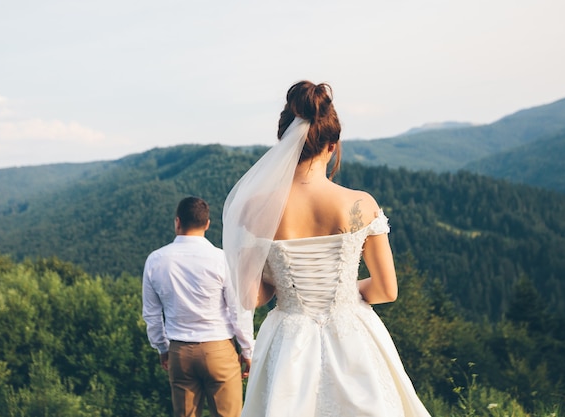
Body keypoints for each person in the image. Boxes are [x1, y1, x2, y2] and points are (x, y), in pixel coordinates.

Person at [222, 81, 432, 416]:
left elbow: (251, 298)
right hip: (352, 334)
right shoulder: (361, 204)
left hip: (289, 338)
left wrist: (283, 281)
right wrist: (345, 292)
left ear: (284, 142)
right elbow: (386, 290)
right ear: (332, 145)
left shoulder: (255, 211)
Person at [142, 196, 254, 417]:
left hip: (180, 352)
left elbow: (152, 314)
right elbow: (237, 310)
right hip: (219, 351)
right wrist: (247, 349)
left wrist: (162, 348)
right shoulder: (221, 258)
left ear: (177, 222)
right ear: (207, 224)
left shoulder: (156, 260)